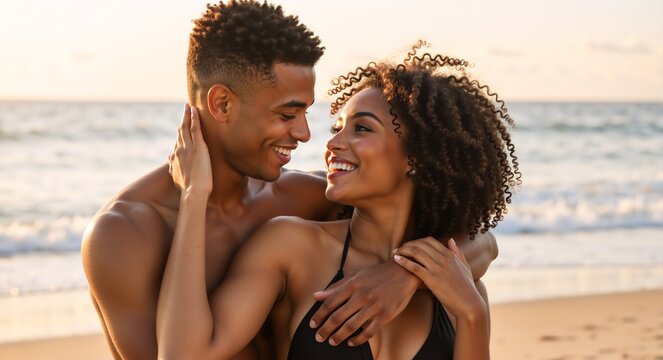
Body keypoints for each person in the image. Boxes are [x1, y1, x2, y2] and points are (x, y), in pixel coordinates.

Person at [82, 1, 497, 359]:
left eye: (306, 114)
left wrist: (404, 275)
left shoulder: (308, 197)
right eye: (286, 114)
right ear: (222, 103)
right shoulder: (127, 233)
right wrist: (195, 195)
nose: (306, 134)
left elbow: (479, 240)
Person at [156, 43, 520, 359]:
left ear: (418, 157)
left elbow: (485, 242)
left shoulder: (455, 285)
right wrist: (193, 195)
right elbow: (184, 355)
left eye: (361, 128)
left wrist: (472, 313)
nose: (331, 144)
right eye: (337, 128)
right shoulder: (292, 247)